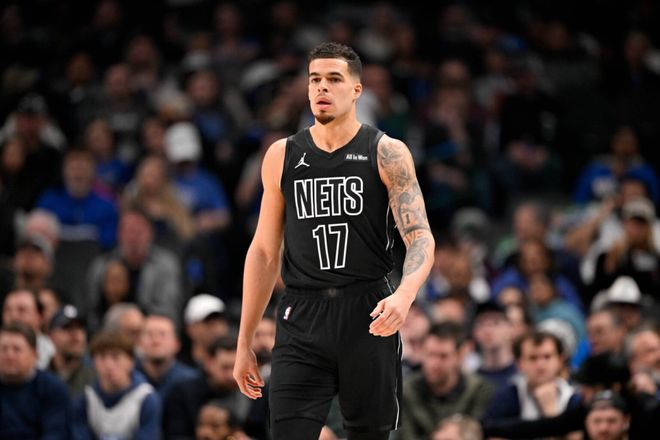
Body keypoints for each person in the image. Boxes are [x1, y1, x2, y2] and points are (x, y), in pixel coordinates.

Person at [233, 42, 435, 440]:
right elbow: (264, 252)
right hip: (302, 313)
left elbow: (420, 236)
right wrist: (244, 341)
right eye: (314, 80)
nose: (321, 88)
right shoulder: (281, 155)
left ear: (357, 89)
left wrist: (405, 294)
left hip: (367, 311)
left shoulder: (386, 152)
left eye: (334, 79)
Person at [0, 322, 71, 439]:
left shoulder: (53, 388)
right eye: (3, 349)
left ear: (34, 355)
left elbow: (56, 433)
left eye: (16, 349)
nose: (9, 355)